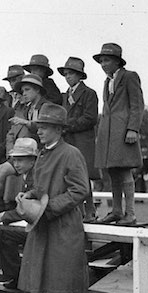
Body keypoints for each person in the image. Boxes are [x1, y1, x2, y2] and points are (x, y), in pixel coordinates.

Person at [17, 104, 89, 293]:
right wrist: (30, 196)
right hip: (42, 223)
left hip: (63, 224)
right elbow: (40, 187)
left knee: (59, 280)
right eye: (39, 127)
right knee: (33, 276)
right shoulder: (43, 154)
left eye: (44, 127)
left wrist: (50, 208)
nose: (39, 131)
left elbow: (80, 190)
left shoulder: (71, 154)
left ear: (58, 129)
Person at [93, 43, 145, 225]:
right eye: (101, 61)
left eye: (106, 60)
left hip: (123, 132)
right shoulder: (107, 81)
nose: (103, 64)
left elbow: (137, 105)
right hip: (108, 134)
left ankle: (130, 214)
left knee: (124, 171)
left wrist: (133, 129)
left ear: (117, 61)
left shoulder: (130, 77)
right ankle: (116, 211)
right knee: (112, 172)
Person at [0, 138, 38, 288]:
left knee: (5, 234)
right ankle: (15, 277)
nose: (16, 165)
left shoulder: (37, 177)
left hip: (44, 230)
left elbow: (28, 210)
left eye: (21, 160)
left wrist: (3, 216)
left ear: (33, 160)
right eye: (14, 160)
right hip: (35, 226)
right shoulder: (27, 176)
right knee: (4, 233)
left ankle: (16, 278)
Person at [59, 57, 99, 222]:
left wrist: (68, 125)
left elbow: (90, 118)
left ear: (79, 75)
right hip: (68, 139)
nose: (68, 77)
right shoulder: (64, 95)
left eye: (71, 73)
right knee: (69, 176)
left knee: (84, 176)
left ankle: (90, 211)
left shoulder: (89, 93)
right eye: (66, 74)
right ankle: (76, 211)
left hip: (83, 139)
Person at [6, 73, 50, 154]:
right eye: (23, 91)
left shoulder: (46, 107)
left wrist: (25, 122)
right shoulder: (26, 109)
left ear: (37, 90)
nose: (24, 94)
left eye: (27, 89)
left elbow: (46, 129)